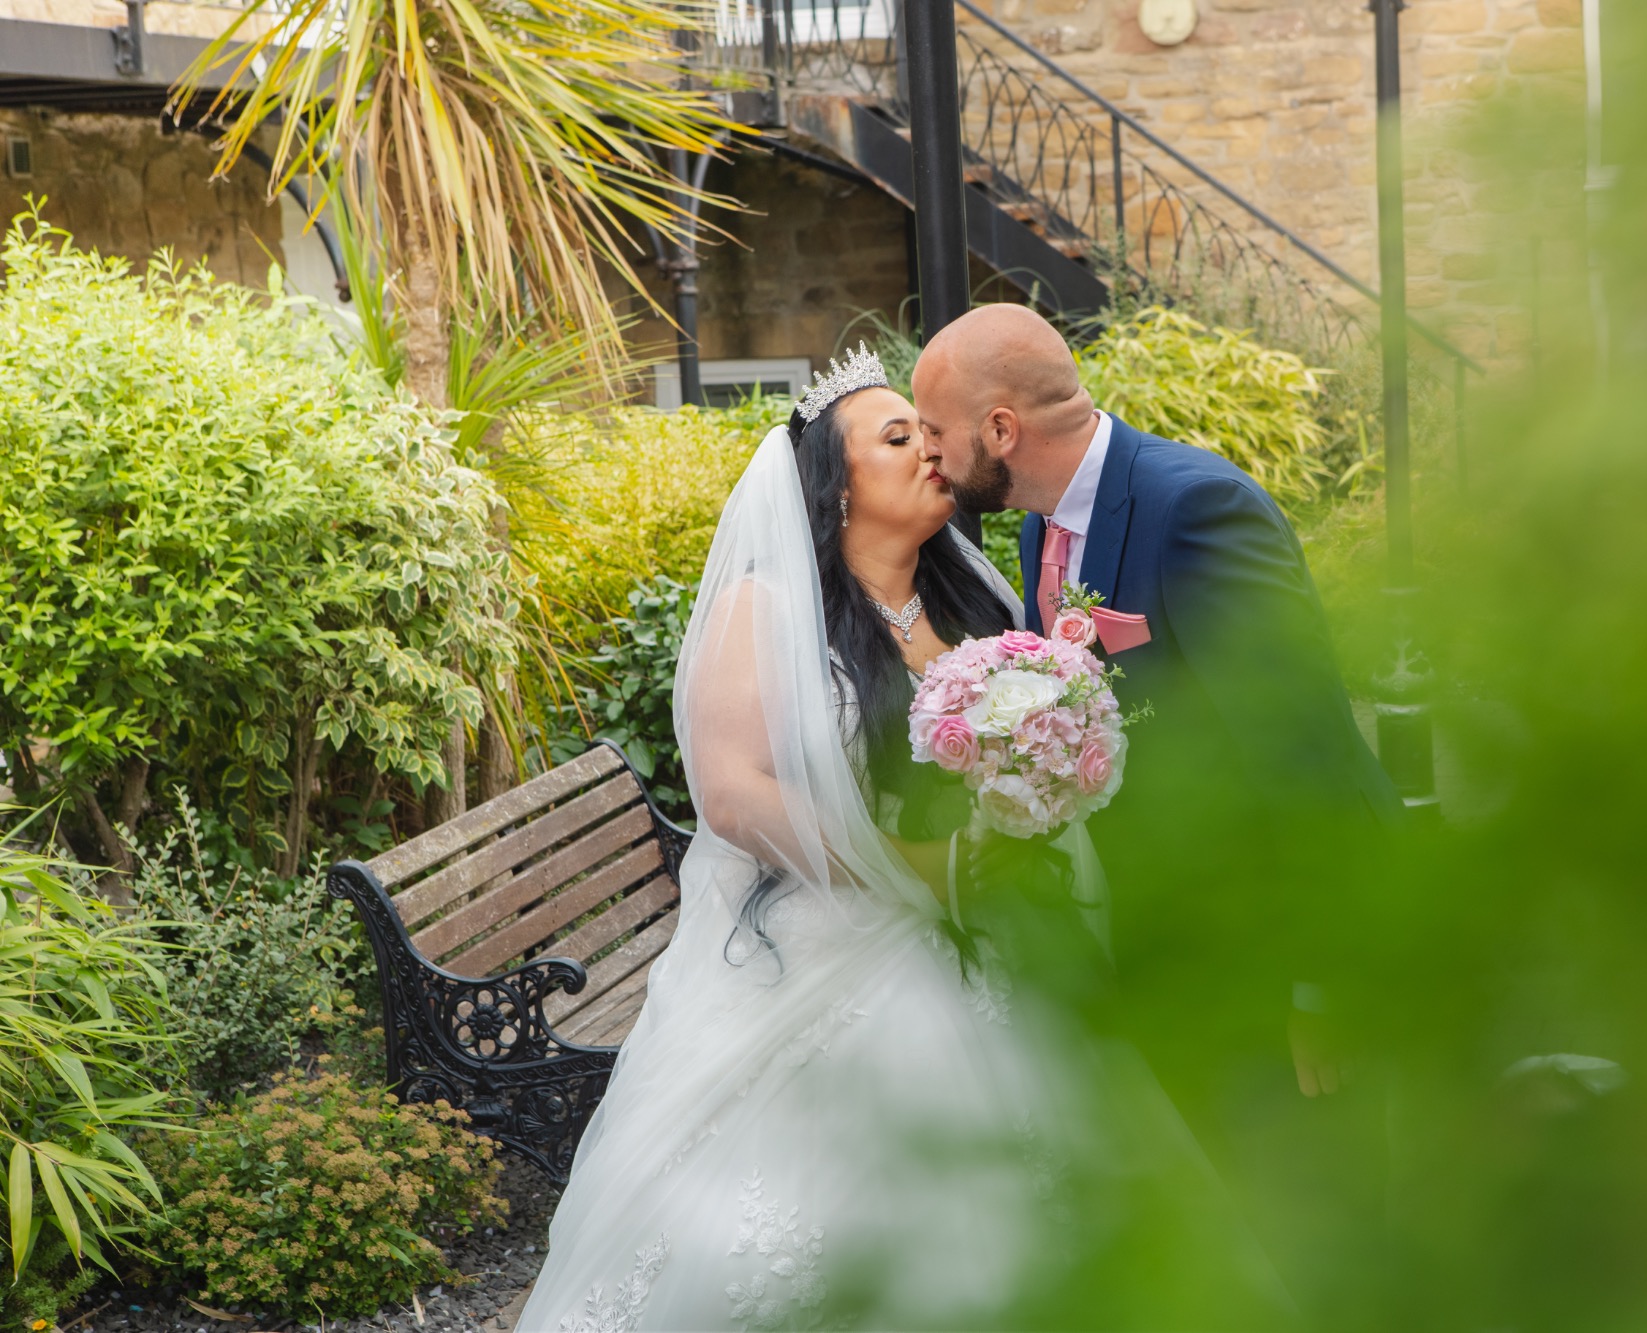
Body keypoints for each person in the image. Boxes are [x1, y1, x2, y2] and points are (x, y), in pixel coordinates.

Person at [518, 349, 1067, 1331]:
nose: (929, 449)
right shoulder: (764, 609)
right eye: (896, 437)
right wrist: (912, 868)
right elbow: (734, 796)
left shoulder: (975, 607)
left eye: (927, 432)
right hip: (812, 945)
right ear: (835, 487)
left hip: (983, 936)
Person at [910, 302, 1401, 1143]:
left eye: (933, 430)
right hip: (1162, 946)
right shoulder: (1039, 529)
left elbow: (1305, 749)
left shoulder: (1198, 508)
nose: (928, 452)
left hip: (1269, 949)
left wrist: (1325, 983)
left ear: (1000, 430)